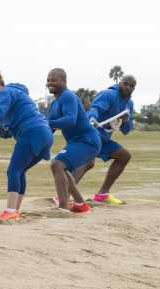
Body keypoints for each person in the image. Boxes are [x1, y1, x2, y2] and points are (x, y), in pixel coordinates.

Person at [0, 71, 53, 219]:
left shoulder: (6, 92)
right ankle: (15, 210)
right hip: (44, 133)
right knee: (19, 171)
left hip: (33, 132)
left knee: (13, 171)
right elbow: (14, 123)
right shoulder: (15, 95)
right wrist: (5, 132)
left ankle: (10, 211)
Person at [71, 75, 137, 205]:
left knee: (124, 156)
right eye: (125, 84)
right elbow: (95, 108)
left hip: (103, 138)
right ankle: (63, 194)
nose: (127, 87)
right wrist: (92, 119)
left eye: (131, 86)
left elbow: (126, 131)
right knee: (88, 162)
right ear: (120, 83)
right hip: (90, 133)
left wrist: (126, 120)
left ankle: (102, 194)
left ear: (134, 88)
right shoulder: (109, 94)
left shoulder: (129, 104)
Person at [46, 68, 101, 212]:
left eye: (54, 80)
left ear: (64, 81)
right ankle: (80, 204)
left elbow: (70, 119)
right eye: (48, 80)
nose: (50, 83)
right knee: (62, 167)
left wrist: (48, 123)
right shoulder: (55, 103)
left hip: (88, 140)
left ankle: (63, 208)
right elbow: (49, 128)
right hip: (77, 141)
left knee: (57, 164)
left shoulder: (68, 96)